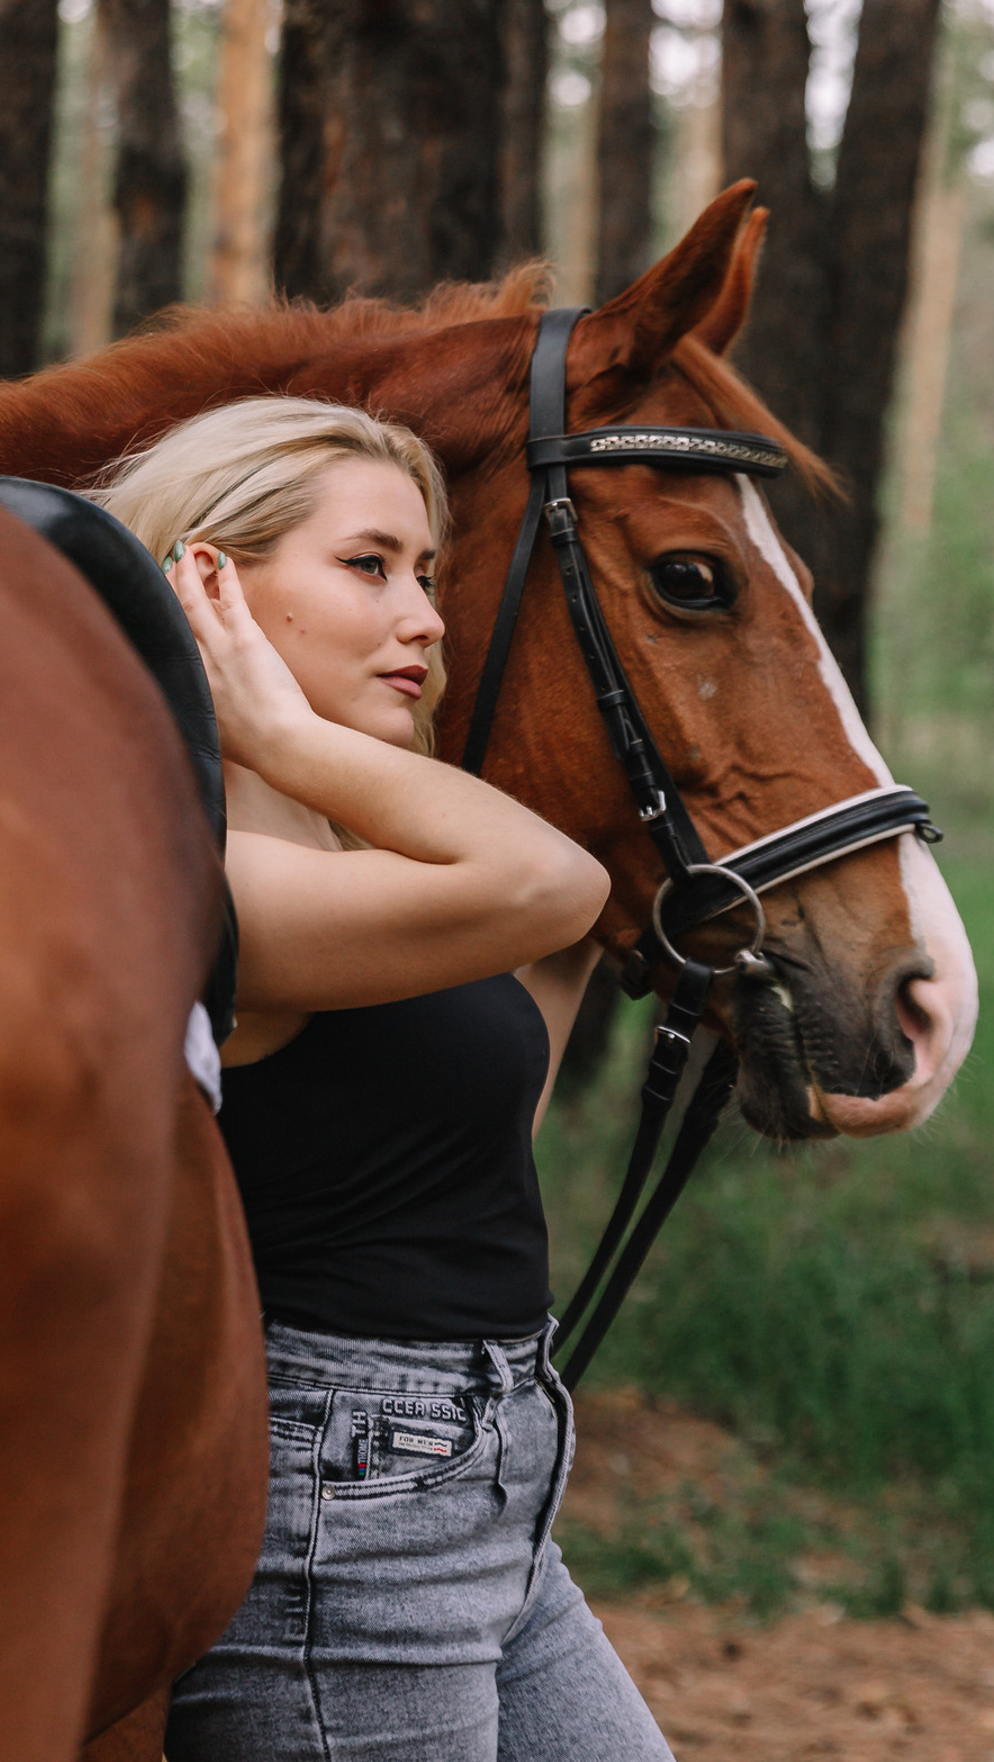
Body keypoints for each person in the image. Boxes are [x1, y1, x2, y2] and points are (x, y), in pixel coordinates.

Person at [95, 397, 675, 1761]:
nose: (425, 616)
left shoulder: (346, 863)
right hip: (332, 1525)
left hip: (484, 1492)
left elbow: (453, 1148)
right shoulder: (199, 872)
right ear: (210, 579)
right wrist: (292, 741)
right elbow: (545, 881)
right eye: (370, 566)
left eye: (424, 574)